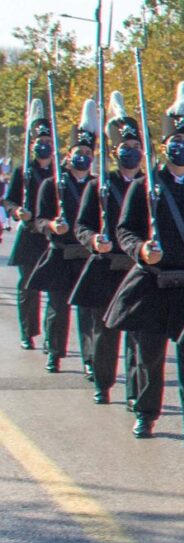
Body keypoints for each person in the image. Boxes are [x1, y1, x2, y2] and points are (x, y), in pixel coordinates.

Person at [106, 82, 184, 442]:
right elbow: (126, 231)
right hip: (153, 280)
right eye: (174, 142)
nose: (180, 147)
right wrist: (141, 250)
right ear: (164, 147)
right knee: (149, 358)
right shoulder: (144, 186)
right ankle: (146, 414)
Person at [71, 93, 144, 406]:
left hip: (139, 267)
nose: (132, 153)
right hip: (107, 266)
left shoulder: (148, 184)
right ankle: (103, 382)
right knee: (106, 332)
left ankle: (136, 394)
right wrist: (93, 240)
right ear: (115, 152)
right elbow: (81, 226)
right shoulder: (99, 185)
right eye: (125, 149)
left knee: (139, 337)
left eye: (136, 148)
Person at [27, 100, 100, 374]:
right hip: (61, 252)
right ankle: (54, 352)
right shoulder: (52, 185)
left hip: (86, 255)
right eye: (77, 151)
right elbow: (38, 219)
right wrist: (51, 226)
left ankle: (90, 359)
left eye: (86, 151)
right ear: (68, 155)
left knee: (88, 312)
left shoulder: (96, 186)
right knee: (58, 308)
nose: (82, 156)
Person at [7, 98, 55, 355]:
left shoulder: (60, 172)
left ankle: (53, 338)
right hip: (29, 235)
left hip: (51, 235)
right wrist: (17, 211)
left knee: (54, 290)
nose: (44, 146)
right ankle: (28, 332)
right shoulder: (23, 171)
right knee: (28, 286)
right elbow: (9, 199)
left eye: (48, 142)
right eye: (40, 143)